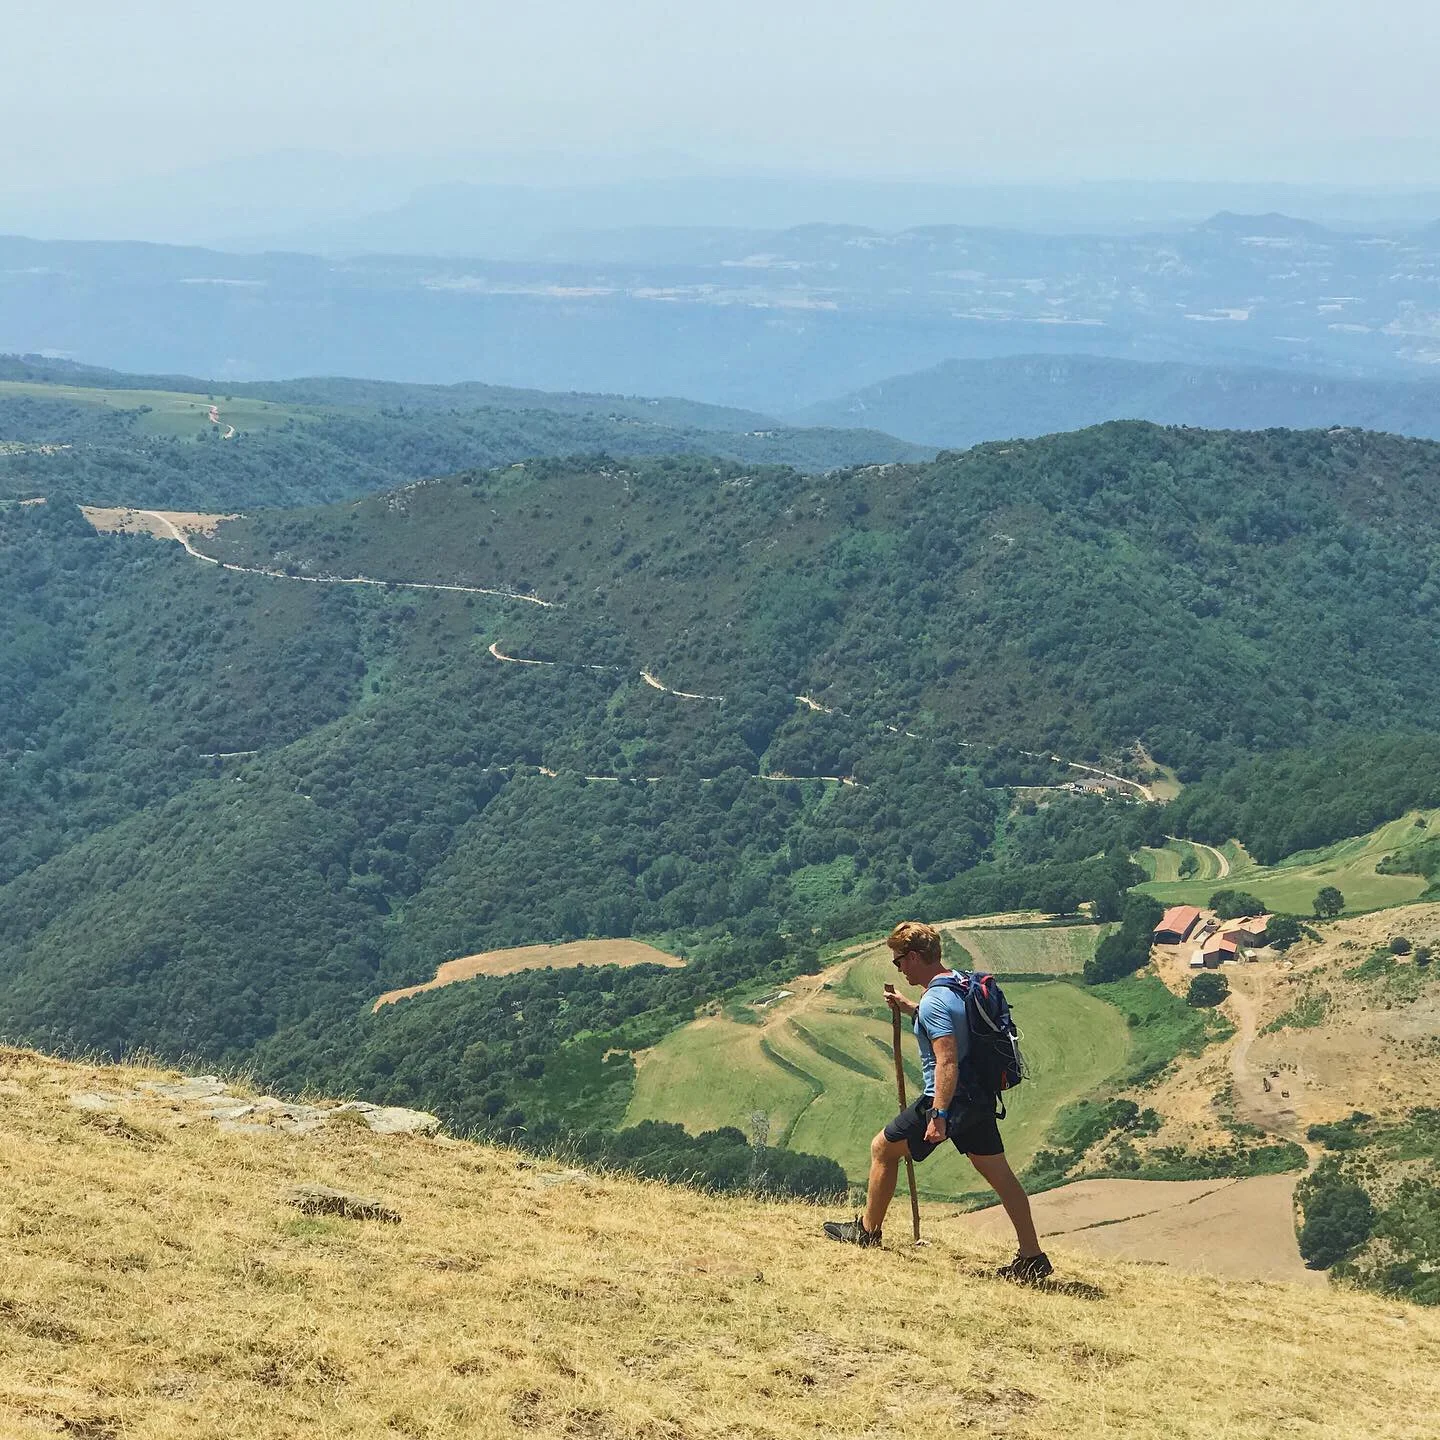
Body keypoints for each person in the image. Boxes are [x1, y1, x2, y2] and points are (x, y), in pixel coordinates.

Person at [822, 920, 1052, 1282]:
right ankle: (1032, 1256)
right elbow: (955, 1026)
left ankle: (867, 1232)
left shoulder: (934, 1002)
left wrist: (939, 1115)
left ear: (913, 957)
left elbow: (946, 1059)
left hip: (948, 1100)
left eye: (898, 961)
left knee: (883, 1149)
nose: (897, 967)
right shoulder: (959, 983)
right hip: (978, 1096)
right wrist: (910, 1007)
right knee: (1000, 1175)